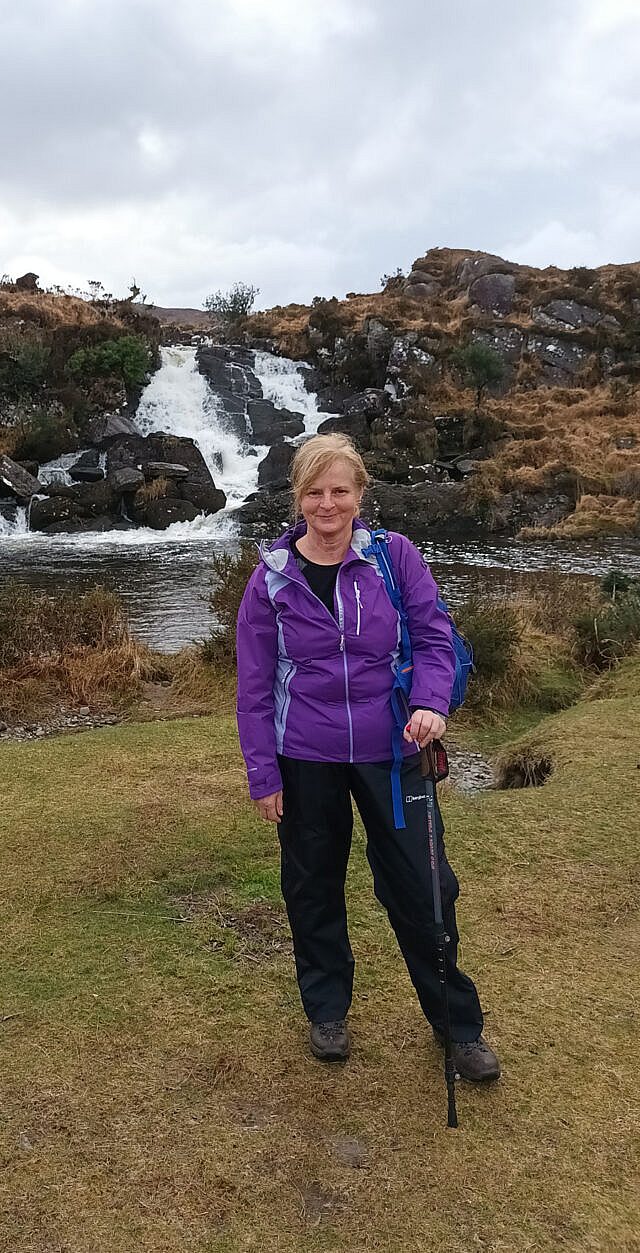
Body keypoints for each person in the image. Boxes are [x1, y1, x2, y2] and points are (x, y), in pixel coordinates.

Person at [235, 433, 499, 1081]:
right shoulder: (270, 580)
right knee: (312, 884)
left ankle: (457, 1026)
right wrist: (264, 775)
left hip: (394, 748)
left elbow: (436, 635)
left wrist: (432, 702)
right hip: (305, 757)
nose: (328, 504)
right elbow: (253, 687)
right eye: (315, 492)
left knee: (426, 888)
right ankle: (327, 1009)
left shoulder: (394, 557)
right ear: (298, 499)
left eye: (340, 491)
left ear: (359, 495)